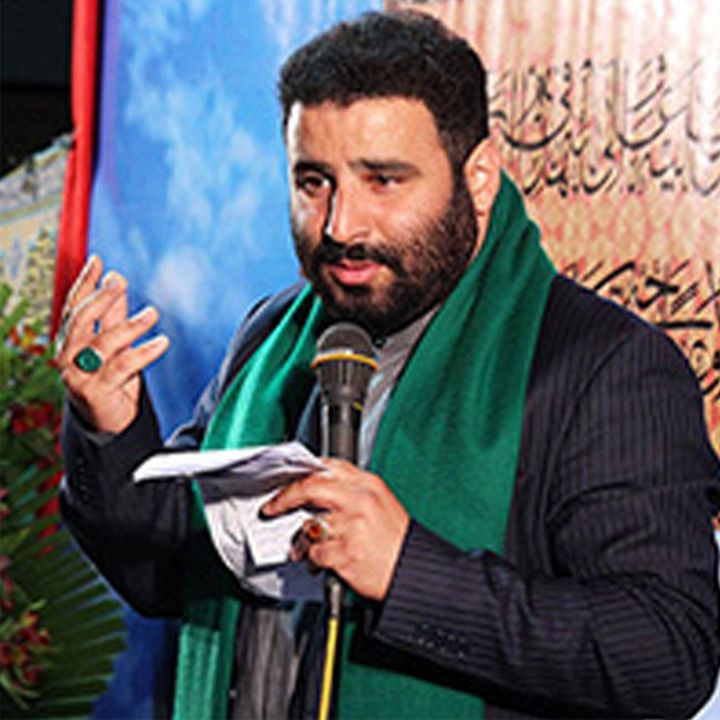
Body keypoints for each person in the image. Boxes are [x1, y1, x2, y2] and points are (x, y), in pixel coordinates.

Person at [56, 10, 719, 720]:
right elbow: (168, 572)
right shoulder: (272, 336)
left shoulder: (603, 366)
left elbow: (666, 654)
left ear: (479, 178)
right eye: (315, 182)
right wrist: (109, 428)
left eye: (384, 180)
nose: (341, 225)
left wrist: (407, 572)